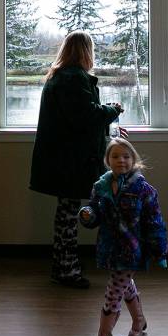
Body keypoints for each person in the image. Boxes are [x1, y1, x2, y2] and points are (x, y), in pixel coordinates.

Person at [31, 31, 124, 289]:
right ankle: (67, 270)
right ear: (85, 51)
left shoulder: (61, 77)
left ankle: (63, 265)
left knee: (66, 213)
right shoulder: (73, 79)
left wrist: (105, 115)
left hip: (62, 158)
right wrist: (113, 111)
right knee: (68, 215)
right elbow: (85, 116)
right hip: (69, 159)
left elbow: (79, 113)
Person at [79, 138, 168, 336]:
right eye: (116, 156)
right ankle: (139, 321)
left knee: (114, 290)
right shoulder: (101, 186)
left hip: (131, 248)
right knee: (124, 284)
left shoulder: (144, 190)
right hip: (109, 246)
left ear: (134, 160)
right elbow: (95, 210)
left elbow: (154, 220)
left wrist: (159, 248)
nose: (121, 161)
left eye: (126, 156)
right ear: (108, 160)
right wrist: (88, 215)